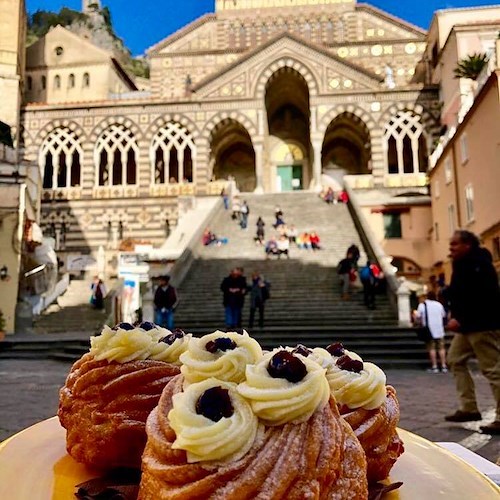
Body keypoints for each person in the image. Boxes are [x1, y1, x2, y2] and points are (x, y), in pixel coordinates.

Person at [445, 230, 500, 435]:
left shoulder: (479, 263)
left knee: (493, 370)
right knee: (455, 359)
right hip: (468, 326)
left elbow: (483, 296)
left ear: (468, 245)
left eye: (455, 244)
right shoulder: (462, 263)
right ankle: (469, 408)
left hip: (483, 325)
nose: (451, 248)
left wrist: (460, 317)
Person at [414, 291, 447, 373]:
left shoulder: (422, 305)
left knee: (431, 348)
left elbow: (418, 316)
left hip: (429, 330)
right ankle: (443, 365)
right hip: (439, 329)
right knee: (441, 348)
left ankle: (434, 366)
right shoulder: (439, 305)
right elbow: (443, 315)